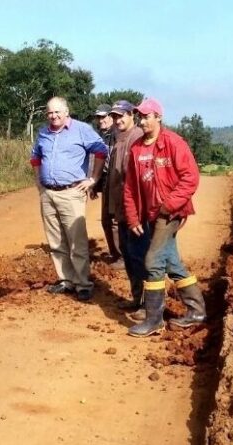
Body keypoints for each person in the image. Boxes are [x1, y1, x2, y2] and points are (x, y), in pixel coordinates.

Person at [123, 98, 207, 337]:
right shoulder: (137, 148)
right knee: (171, 262)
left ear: (158, 117)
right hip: (148, 214)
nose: (142, 120)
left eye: (146, 116)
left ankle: (154, 320)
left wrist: (168, 205)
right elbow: (130, 187)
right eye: (139, 116)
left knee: (152, 262)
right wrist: (133, 217)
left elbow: (190, 177)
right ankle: (197, 311)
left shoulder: (173, 142)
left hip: (170, 213)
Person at [30, 96, 108, 301]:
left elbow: (101, 150)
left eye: (57, 112)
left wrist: (94, 178)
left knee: (76, 240)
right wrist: (39, 181)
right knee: (55, 240)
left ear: (66, 112)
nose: (53, 116)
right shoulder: (43, 133)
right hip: (48, 192)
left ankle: (83, 283)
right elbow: (35, 157)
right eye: (50, 112)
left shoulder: (81, 130)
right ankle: (66, 280)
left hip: (71, 193)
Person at [104, 100, 146, 312]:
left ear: (132, 115)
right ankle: (137, 298)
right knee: (129, 257)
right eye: (114, 116)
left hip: (136, 212)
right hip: (122, 209)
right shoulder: (118, 139)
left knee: (140, 258)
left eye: (121, 116)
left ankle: (148, 305)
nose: (117, 120)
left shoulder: (137, 138)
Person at [93, 104, 122, 268]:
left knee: (114, 220)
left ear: (111, 117)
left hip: (116, 181)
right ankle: (115, 253)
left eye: (104, 117)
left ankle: (121, 256)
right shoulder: (101, 136)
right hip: (105, 181)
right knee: (106, 220)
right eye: (99, 117)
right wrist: (94, 184)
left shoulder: (117, 134)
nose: (101, 120)